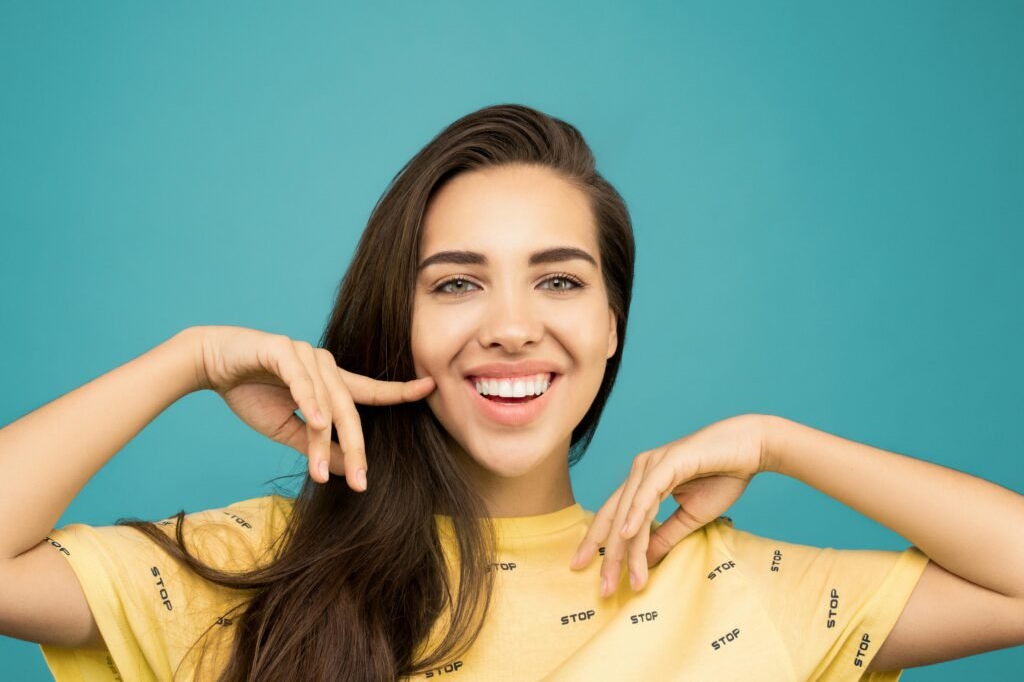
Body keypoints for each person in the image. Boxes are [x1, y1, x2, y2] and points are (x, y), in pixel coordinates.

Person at [1, 104, 1021, 681]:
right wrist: (187, 359)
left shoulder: (735, 586)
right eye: (454, 282)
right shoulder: (260, 570)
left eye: (559, 279)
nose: (510, 323)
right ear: (396, 320)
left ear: (611, 323)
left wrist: (781, 441)